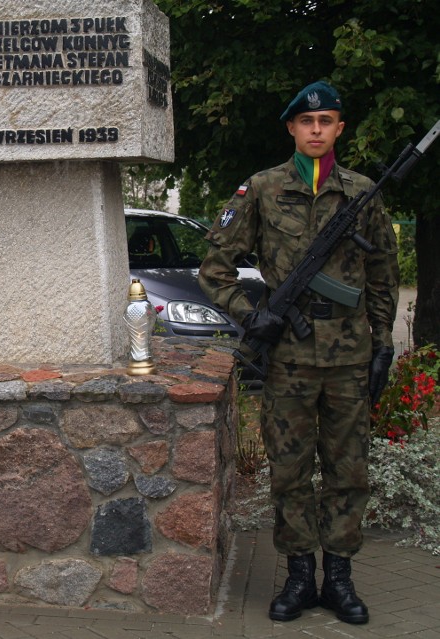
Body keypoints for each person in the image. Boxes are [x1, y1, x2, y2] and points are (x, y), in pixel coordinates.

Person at [199, 81, 399, 625]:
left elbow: (382, 278)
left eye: (327, 121)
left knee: (348, 470)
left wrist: (383, 346)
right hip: (287, 357)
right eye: (307, 122)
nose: (316, 130)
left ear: (339, 128)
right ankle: (298, 575)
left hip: (350, 358)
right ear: (291, 127)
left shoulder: (363, 193)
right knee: (289, 471)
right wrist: (250, 314)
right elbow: (214, 268)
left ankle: (338, 577)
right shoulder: (262, 190)